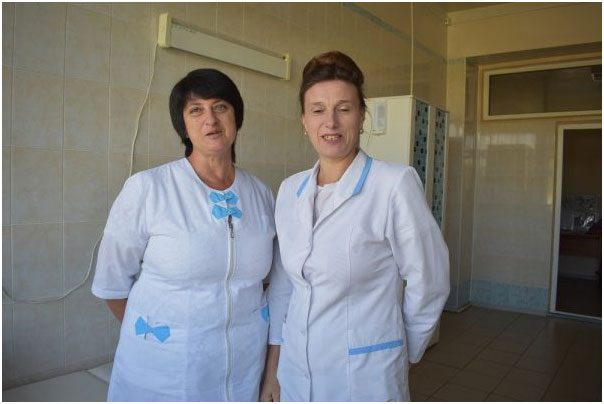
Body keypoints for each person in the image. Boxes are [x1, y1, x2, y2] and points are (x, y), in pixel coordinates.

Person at [261, 51, 450, 402]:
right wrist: (274, 366)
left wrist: (400, 353)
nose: (330, 122)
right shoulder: (290, 190)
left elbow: (430, 280)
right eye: (318, 110)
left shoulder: (393, 184)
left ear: (362, 116)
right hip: (296, 372)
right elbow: (285, 284)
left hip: (367, 377)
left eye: (344, 109)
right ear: (304, 121)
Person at [92, 69, 279, 401]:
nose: (210, 119)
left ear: (236, 116)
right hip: (167, 371)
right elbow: (112, 285)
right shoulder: (149, 188)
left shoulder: (260, 194)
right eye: (196, 110)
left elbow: (267, 283)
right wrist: (158, 338)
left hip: (244, 368)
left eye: (220, 106)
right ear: (183, 125)